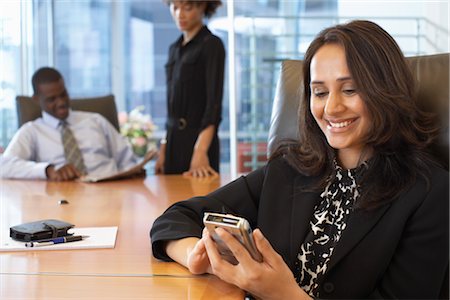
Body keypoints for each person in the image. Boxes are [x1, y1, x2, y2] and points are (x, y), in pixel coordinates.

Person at [150, 20, 449, 299]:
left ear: (386, 90)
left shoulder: (430, 192)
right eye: (319, 92)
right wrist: (196, 255)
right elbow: (174, 219)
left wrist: (284, 293)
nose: (331, 108)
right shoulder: (290, 168)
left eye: (350, 89)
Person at [2, 67, 138, 181]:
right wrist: (48, 170)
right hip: (64, 197)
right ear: (37, 99)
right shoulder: (31, 131)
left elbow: (127, 160)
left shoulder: (96, 120)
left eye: (63, 94)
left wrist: (132, 173)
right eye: (52, 99)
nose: (61, 102)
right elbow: (4, 166)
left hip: (111, 189)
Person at [155, 0, 225, 178]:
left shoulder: (212, 45)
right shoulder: (174, 49)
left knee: (198, 201)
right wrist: (163, 147)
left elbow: (213, 106)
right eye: (175, 7)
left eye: (187, 7)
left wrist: (200, 151)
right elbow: (171, 106)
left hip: (199, 142)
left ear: (202, 6)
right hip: (172, 143)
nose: (180, 14)